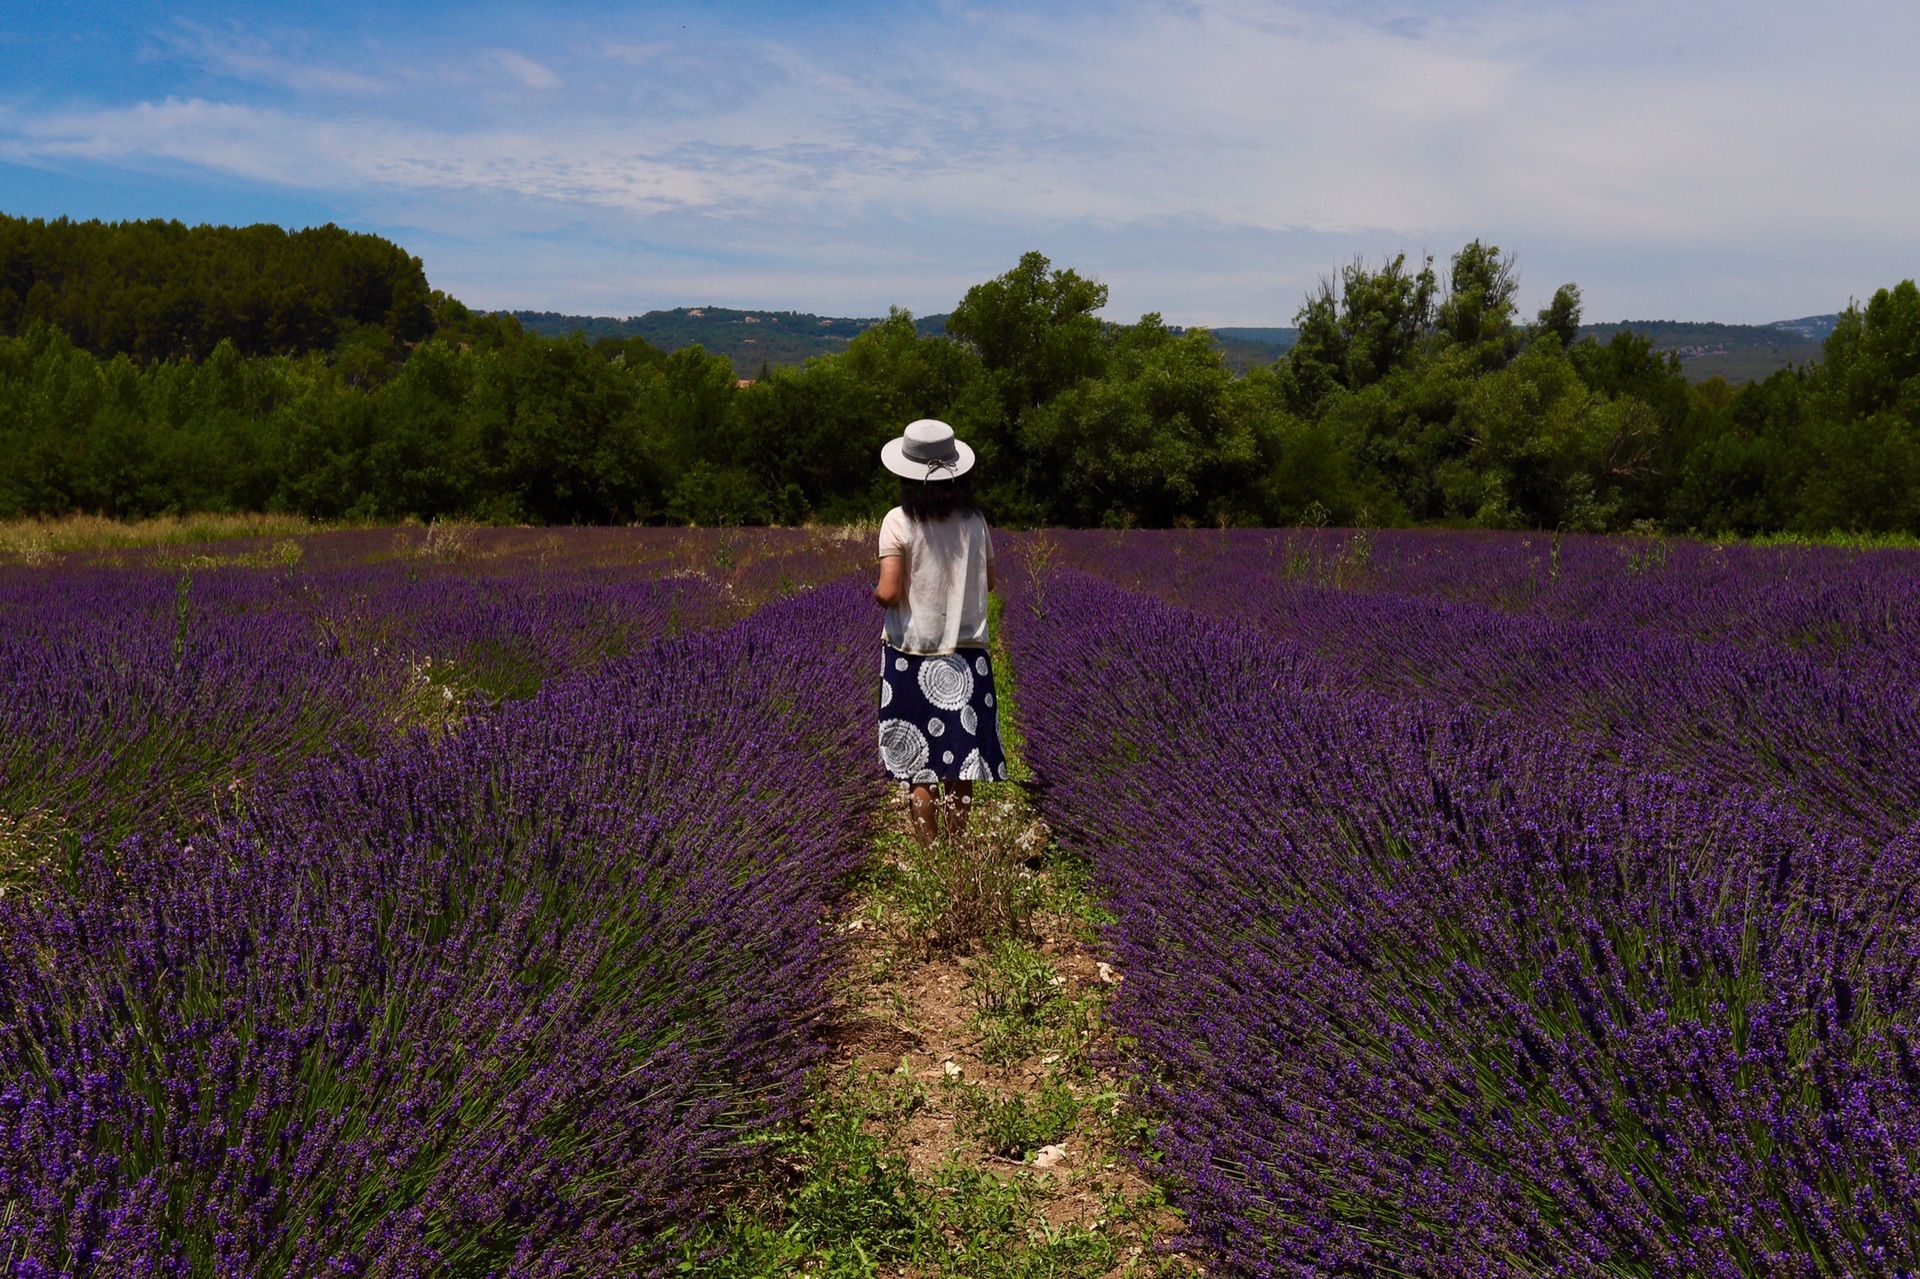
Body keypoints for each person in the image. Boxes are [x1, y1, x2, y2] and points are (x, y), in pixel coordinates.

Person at [873, 418, 1007, 847]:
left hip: (912, 654)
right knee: (961, 759)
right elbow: (989, 582)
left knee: (919, 765)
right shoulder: (974, 521)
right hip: (968, 652)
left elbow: (890, 592)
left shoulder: (897, 521)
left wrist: (875, 591)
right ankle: (959, 851)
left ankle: (931, 856)